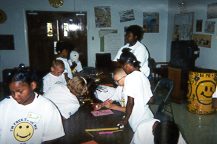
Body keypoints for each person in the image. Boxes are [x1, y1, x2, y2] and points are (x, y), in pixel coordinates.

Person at [0, 66, 65, 143]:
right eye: (12, 92)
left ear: (33, 85)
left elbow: (52, 139)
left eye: (20, 91)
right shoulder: (3, 106)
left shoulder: (48, 108)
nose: (15, 96)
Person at [117, 48, 154, 132]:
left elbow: (130, 102)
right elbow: (151, 100)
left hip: (137, 120)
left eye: (123, 67)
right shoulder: (143, 76)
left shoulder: (129, 78)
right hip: (147, 116)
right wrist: (140, 98)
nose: (124, 70)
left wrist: (125, 120)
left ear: (126, 65)